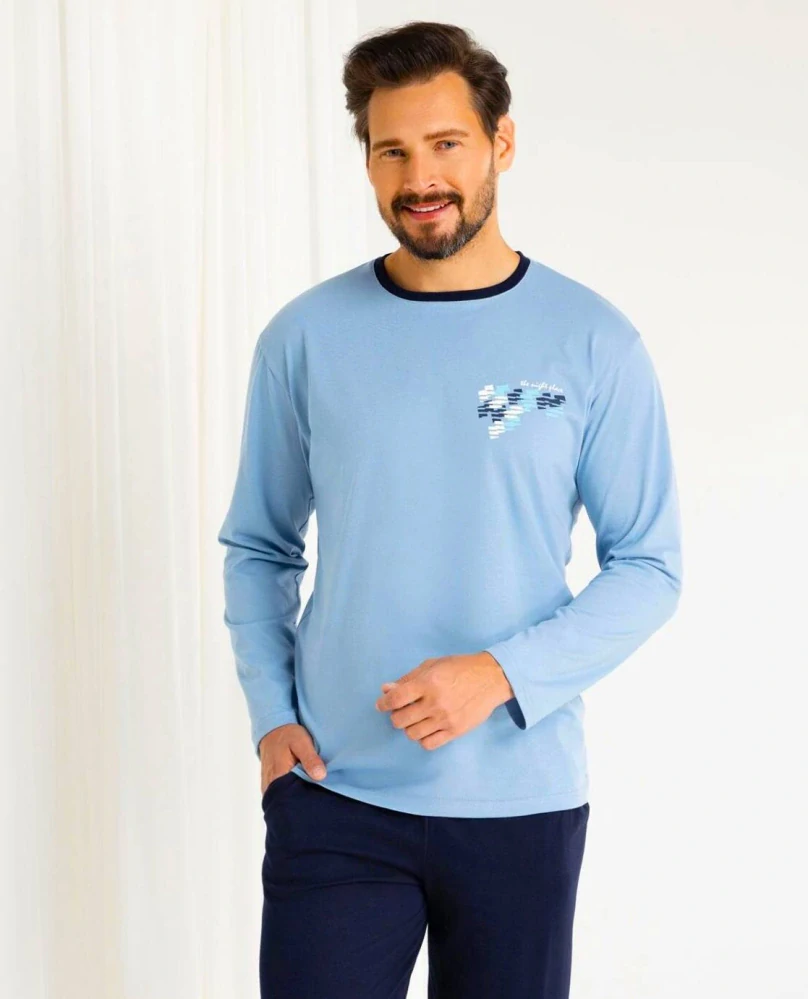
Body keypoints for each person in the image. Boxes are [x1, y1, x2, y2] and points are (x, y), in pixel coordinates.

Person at [217, 19, 683, 999]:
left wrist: (501, 674)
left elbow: (648, 565)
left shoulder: (592, 342)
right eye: (391, 150)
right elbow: (259, 545)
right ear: (367, 161)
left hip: (520, 804)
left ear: (501, 143)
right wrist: (270, 717)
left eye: (445, 143)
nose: (419, 177)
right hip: (334, 796)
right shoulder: (304, 338)